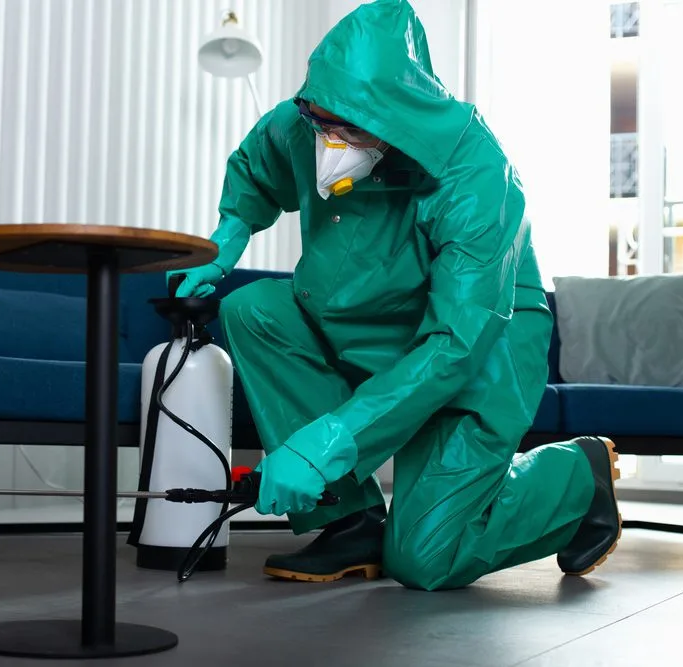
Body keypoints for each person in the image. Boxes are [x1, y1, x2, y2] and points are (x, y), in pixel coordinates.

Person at [168, 0, 621, 592]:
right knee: (254, 310)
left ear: (396, 118)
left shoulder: (477, 179)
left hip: (475, 347)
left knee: (427, 558)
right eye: (318, 121)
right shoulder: (307, 119)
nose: (328, 144)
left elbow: (455, 344)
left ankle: (578, 476)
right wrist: (228, 237)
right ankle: (350, 520)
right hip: (363, 322)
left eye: (349, 130)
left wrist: (330, 441)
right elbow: (259, 166)